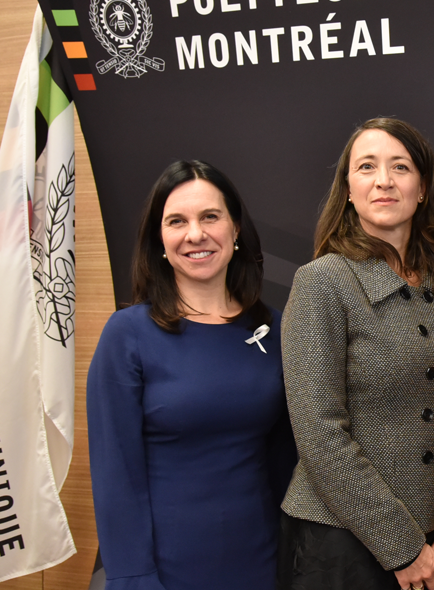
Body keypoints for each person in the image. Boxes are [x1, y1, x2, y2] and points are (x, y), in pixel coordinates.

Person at [278, 118, 434, 590]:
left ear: (422, 188)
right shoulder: (323, 282)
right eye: (367, 167)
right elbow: (319, 433)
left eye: (400, 167)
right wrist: (400, 546)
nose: (384, 180)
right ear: (348, 190)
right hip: (345, 548)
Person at [88, 160, 295, 590]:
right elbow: (115, 476)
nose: (195, 234)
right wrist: (133, 577)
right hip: (164, 568)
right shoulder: (127, 335)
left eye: (210, 217)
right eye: (176, 221)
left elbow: (286, 459)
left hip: (262, 560)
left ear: (235, 230)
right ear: (159, 240)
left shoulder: (275, 329)